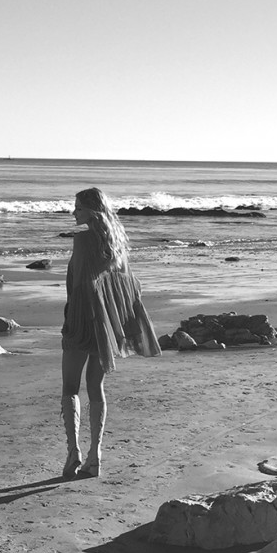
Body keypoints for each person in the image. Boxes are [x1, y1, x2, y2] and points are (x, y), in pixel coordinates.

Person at [61, 186, 161, 479]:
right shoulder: (117, 240)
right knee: (96, 388)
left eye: (78, 208)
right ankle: (95, 455)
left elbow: (78, 286)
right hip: (106, 324)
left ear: (91, 211)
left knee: (70, 388)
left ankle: (73, 452)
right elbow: (128, 285)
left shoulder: (83, 241)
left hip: (82, 319)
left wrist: (70, 320)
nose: (74, 213)